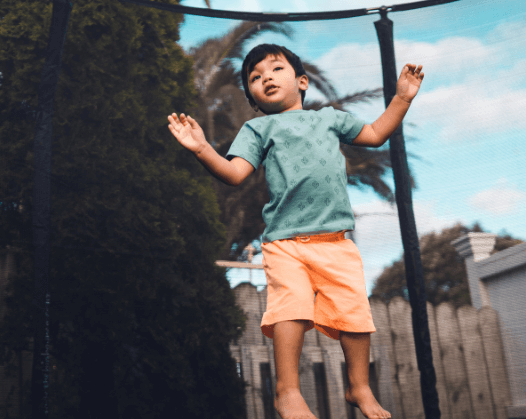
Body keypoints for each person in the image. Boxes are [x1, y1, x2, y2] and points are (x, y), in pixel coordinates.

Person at [168, 44, 423, 419]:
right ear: (252, 98)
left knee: (354, 313)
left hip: (335, 241)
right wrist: (203, 148)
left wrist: (401, 99)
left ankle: (359, 387)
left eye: (275, 69)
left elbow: (373, 134)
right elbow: (235, 174)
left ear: (301, 81)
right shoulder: (258, 128)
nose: (266, 77)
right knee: (290, 309)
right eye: (255, 77)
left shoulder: (329, 118)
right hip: (285, 243)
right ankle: (287, 392)